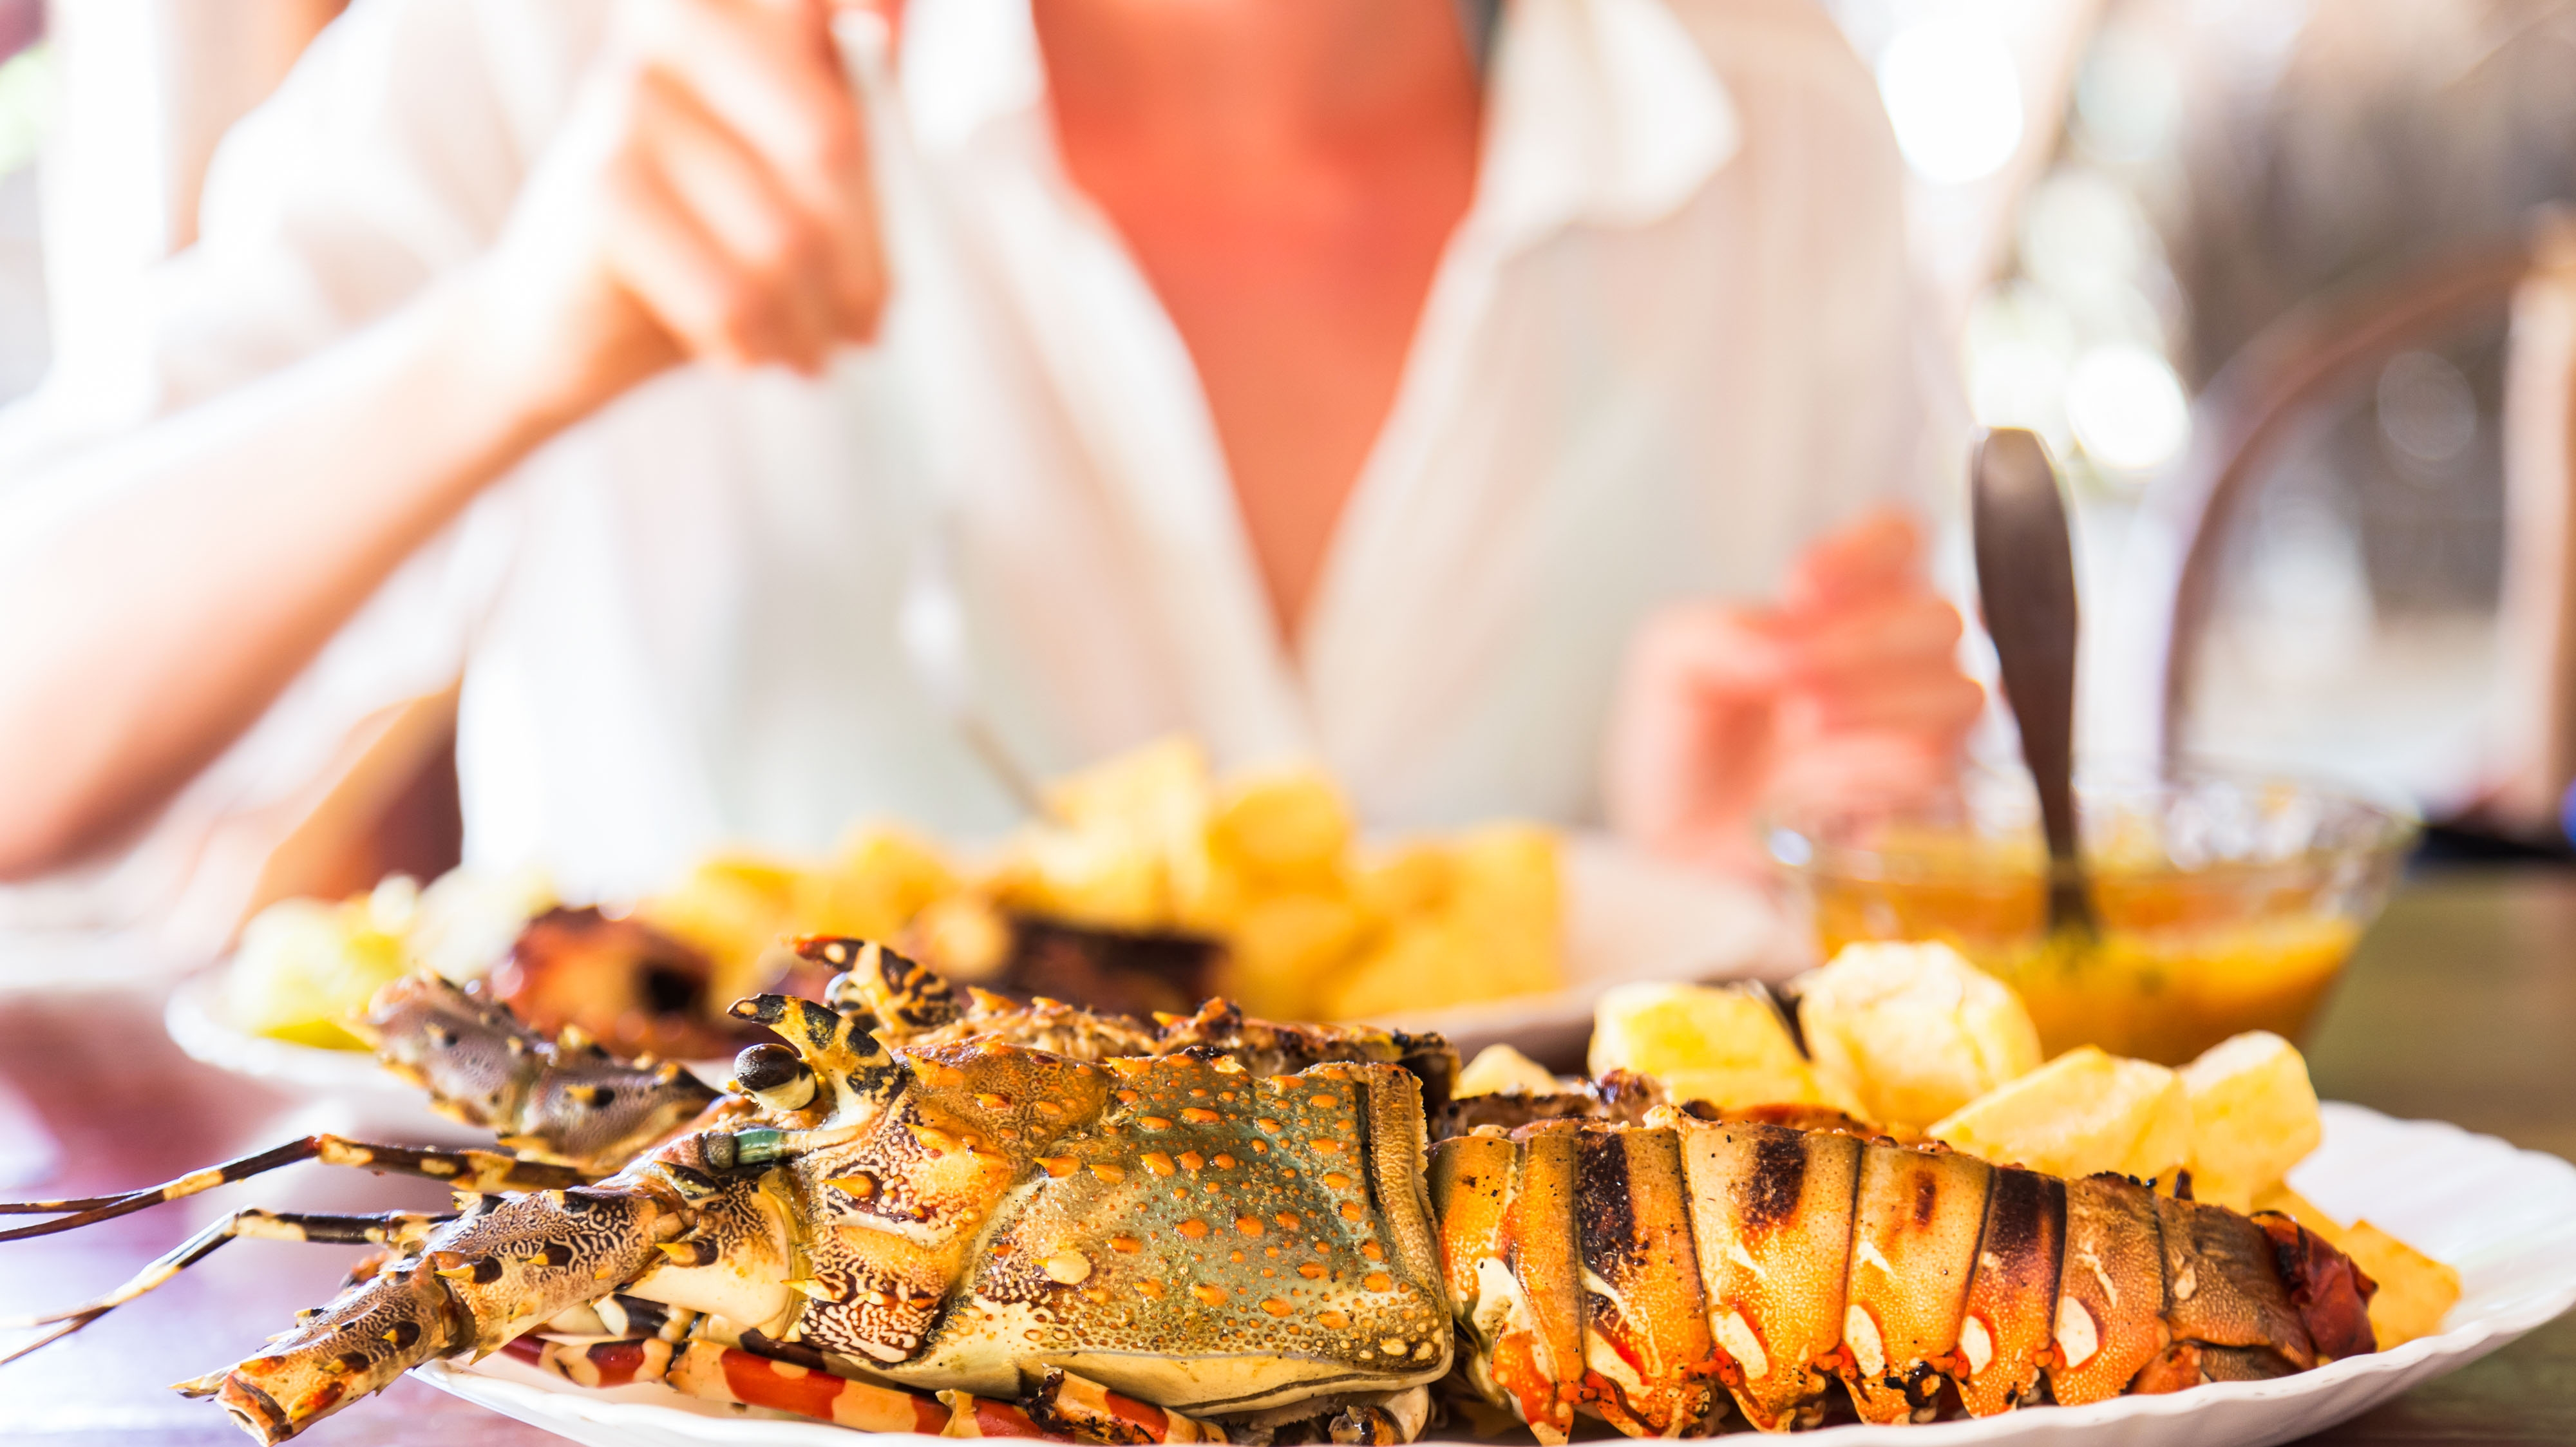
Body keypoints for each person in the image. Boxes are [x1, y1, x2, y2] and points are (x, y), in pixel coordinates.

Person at [0, 0, 1977, 923]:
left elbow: (1819, 908)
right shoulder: (571, 49)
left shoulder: (1778, 133)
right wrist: (514, 339)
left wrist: (1721, 885)